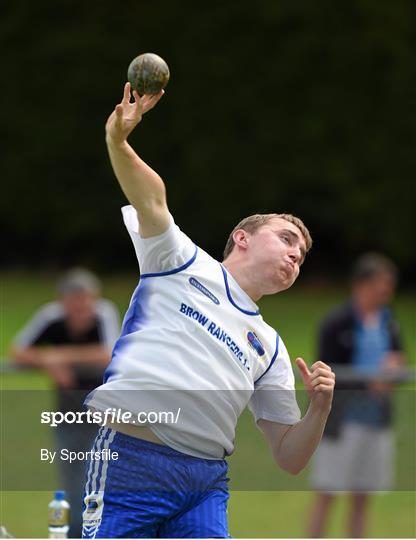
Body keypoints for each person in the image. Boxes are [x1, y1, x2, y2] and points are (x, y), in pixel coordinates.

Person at [82, 83, 336, 539]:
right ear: (242, 237)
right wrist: (118, 142)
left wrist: (319, 407)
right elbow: (153, 198)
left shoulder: (271, 348)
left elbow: (289, 456)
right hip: (131, 458)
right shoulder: (179, 261)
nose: (296, 254)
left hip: (204, 483)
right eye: (286, 239)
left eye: (302, 254)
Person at [12, 268, 120, 538]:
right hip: (67, 416)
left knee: (101, 482)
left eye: (86, 300)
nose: (82, 307)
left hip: (105, 417)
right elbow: (19, 350)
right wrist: (48, 363)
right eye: (75, 301)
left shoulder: (103, 313)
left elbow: (109, 353)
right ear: (63, 301)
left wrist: (58, 356)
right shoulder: (51, 317)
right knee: (72, 486)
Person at [308, 253, 406, 538]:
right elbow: (324, 372)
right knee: (328, 492)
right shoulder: (336, 322)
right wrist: (368, 384)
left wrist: (394, 369)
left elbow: (399, 357)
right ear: (362, 285)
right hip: (343, 423)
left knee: (363, 496)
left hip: (377, 421)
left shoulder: (389, 320)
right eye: (381, 284)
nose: (386, 292)